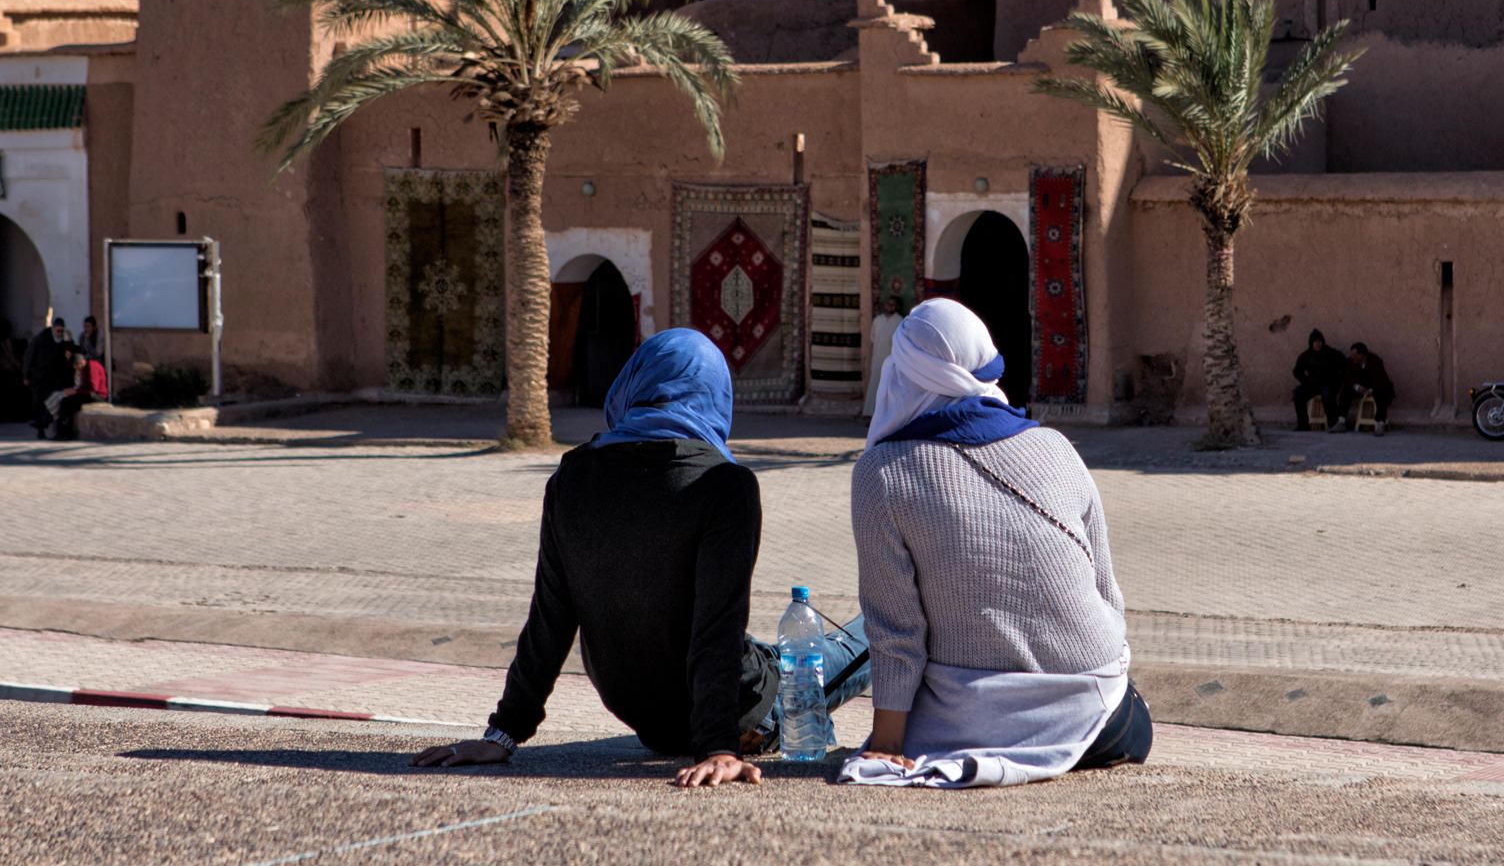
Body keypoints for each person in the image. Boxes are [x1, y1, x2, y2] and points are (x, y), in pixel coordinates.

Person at [411, 328, 870, 786]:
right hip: (743, 716)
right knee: (877, 630)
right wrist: (718, 747)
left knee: (774, 651)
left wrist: (502, 734)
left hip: (647, 721)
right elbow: (717, 628)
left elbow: (549, 619)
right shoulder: (724, 486)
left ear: (635, 383)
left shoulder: (571, 479)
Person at [840, 298, 1150, 788]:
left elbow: (896, 631)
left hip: (969, 723)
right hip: (1106, 722)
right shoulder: (1056, 445)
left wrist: (887, 745)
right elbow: (1107, 594)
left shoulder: (881, 474)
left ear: (901, 372)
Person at [23, 318, 74, 439]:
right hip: (40, 378)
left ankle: (50, 428)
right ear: (52, 329)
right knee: (39, 404)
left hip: (55, 379)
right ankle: (40, 430)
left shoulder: (64, 341)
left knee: (52, 404)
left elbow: (71, 355)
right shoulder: (41, 339)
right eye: (58, 331)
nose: (59, 334)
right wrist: (26, 375)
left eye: (62, 331)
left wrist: (69, 341)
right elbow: (29, 356)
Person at [1291, 328, 1346, 432]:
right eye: (1315, 342)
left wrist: (1337, 381)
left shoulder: (1331, 353)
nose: (1317, 344)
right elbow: (1297, 371)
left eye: (1319, 342)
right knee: (1297, 394)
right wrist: (1305, 380)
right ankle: (1303, 425)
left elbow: (1342, 366)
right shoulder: (1306, 355)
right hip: (1311, 384)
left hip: (1328, 384)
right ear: (1311, 343)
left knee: (1328, 396)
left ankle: (1333, 424)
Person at [49, 349, 107, 441]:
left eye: (77, 366)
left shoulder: (92, 367)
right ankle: (62, 432)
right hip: (88, 393)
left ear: (80, 363)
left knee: (68, 403)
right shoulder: (85, 367)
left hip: (97, 395)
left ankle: (65, 433)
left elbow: (93, 388)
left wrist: (76, 391)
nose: (77, 369)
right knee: (66, 402)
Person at [861, 294, 904, 418]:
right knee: (875, 385)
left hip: (892, 361)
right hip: (877, 359)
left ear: (897, 307)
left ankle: (887, 417)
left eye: (893, 304)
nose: (889, 306)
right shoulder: (878, 320)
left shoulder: (899, 321)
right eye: (888, 304)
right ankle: (870, 413)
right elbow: (873, 338)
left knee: (890, 387)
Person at [1340, 342, 1395, 436]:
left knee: (1382, 394)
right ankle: (1341, 421)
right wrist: (1357, 387)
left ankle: (1380, 424)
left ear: (1362, 355)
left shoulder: (1376, 361)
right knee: (1346, 391)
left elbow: (1381, 379)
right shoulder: (1350, 361)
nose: (1352, 357)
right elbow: (1347, 377)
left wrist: (1371, 390)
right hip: (1361, 388)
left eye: (1355, 355)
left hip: (1376, 387)